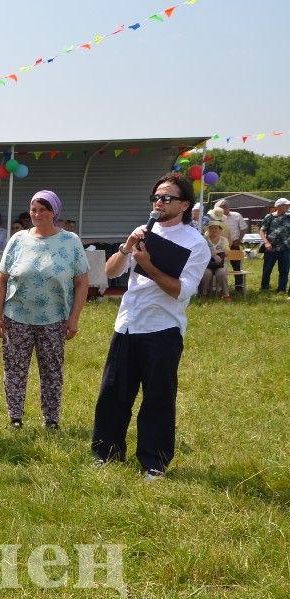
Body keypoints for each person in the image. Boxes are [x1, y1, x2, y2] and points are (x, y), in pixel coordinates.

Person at [92, 173, 210, 480]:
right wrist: (125, 249)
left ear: (185, 204)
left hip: (162, 329)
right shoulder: (143, 231)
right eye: (156, 197)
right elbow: (111, 272)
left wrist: (149, 266)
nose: (159, 202)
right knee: (113, 393)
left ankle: (153, 463)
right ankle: (106, 453)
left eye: (167, 198)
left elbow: (180, 290)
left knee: (158, 398)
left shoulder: (195, 243)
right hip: (128, 324)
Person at [0, 190, 89, 430]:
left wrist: (73, 319)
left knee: (52, 371)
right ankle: (15, 417)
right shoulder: (18, 239)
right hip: (17, 317)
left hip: (54, 319)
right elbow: (1, 280)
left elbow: (82, 282)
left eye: (43, 209)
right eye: (34, 209)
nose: (37, 214)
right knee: (14, 369)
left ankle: (52, 420)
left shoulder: (70, 241)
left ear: (54, 212)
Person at [259, 198, 290, 294]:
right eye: (285, 205)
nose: (288, 207)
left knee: (284, 270)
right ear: (278, 206)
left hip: (286, 248)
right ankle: (264, 288)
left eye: (288, 205)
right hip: (271, 247)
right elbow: (262, 230)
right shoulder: (269, 217)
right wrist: (266, 242)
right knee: (267, 269)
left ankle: (281, 289)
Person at [199, 220, 230, 298]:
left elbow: (226, 252)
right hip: (207, 265)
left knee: (222, 273)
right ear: (208, 230)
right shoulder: (204, 239)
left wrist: (214, 253)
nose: (214, 230)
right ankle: (204, 294)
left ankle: (226, 295)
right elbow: (201, 252)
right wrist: (213, 255)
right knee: (206, 273)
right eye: (212, 228)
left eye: (216, 228)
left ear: (220, 230)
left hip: (220, 264)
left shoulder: (224, 240)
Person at [213, 199, 246, 273]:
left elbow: (243, 229)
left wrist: (238, 241)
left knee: (237, 267)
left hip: (234, 244)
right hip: (220, 245)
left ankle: (239, 285)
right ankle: (221, 284)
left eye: (221, 208)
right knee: (219, 266)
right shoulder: (216, 217)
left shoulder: (237, 215)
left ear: (226, 208)